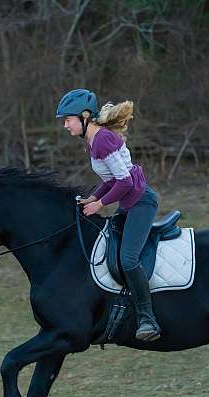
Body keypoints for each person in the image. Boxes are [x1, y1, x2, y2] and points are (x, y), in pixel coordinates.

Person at [56, 88, 161, 341]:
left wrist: (100, 204)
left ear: (83, 116)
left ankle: (148, 319)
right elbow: (111, 178)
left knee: (127, 259)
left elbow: (124, 182)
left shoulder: (102, 140)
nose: (65, 125)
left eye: (67, 120)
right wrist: (92, 197)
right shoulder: (92, 141)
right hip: (129, 203)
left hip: (140, 202)